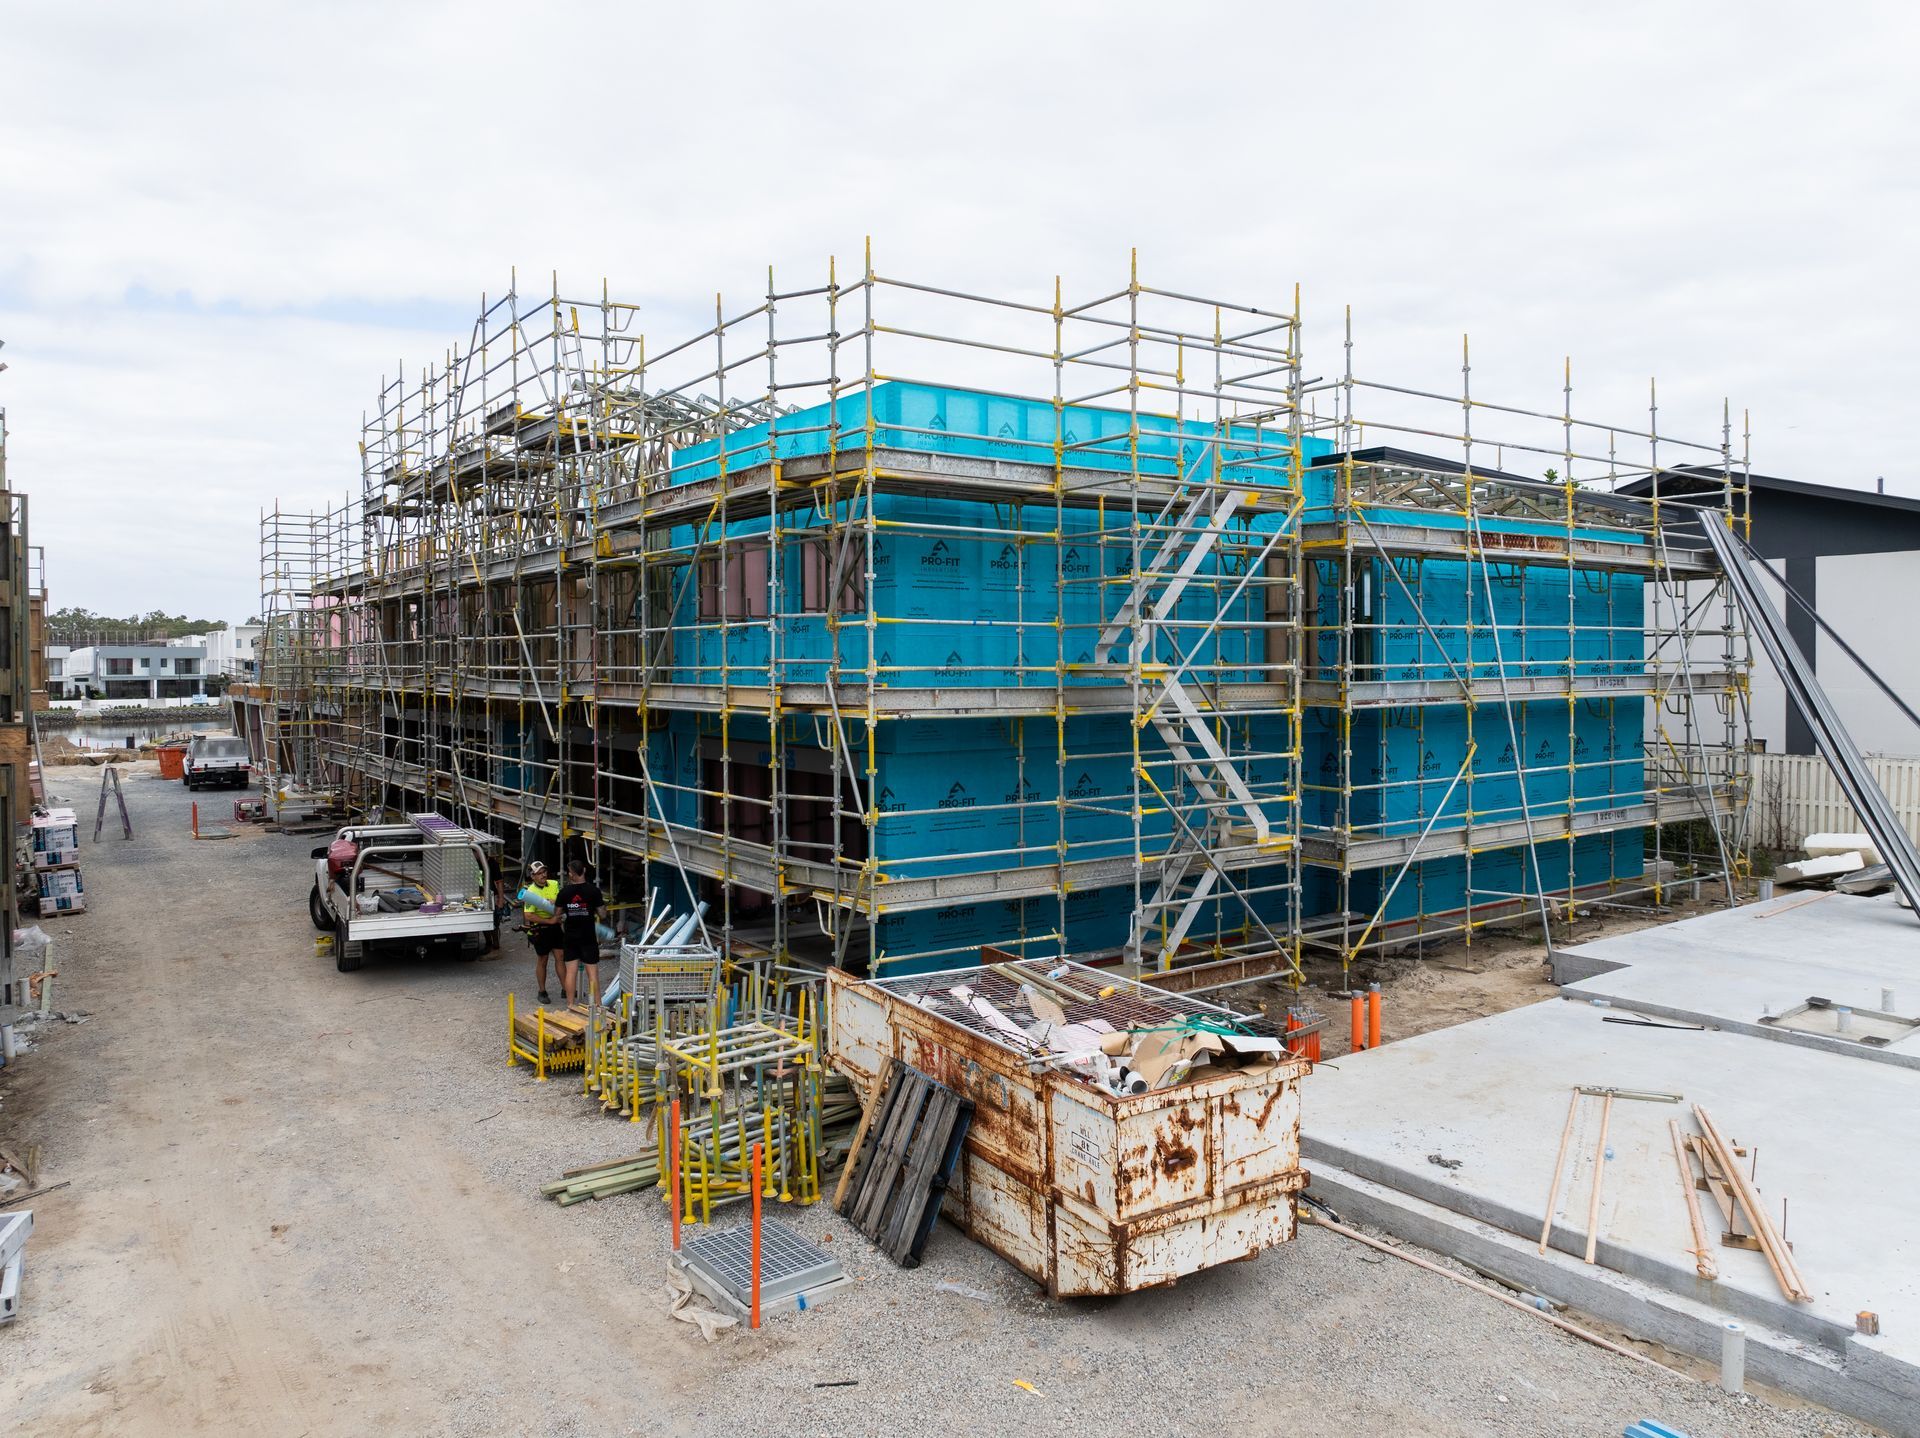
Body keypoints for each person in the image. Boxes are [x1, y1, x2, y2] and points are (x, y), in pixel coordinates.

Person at [553, 858, 605, 1007]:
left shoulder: (564, 892)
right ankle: (598, 1006)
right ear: (585, 871)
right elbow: (602, 914)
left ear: (570, 874)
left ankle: (570, 1005)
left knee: (571, 972)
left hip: (570, 936)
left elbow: (557, 914)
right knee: (592, 974)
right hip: (588, 936)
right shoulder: (593, 891)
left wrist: (565, 912)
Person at [520, 860, 562, 1004]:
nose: (543, 875)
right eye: (539, 873)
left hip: (555, 926)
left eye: (544, 871)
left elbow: (561, 900)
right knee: (543, 960)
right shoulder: (530, 892)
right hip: (541, 928)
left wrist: (555, 900)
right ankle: (542, 991)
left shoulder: (554, 884)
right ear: (533, 876)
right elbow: (529, 915)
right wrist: (550, 921)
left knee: (560, 957)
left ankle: (566, 988)